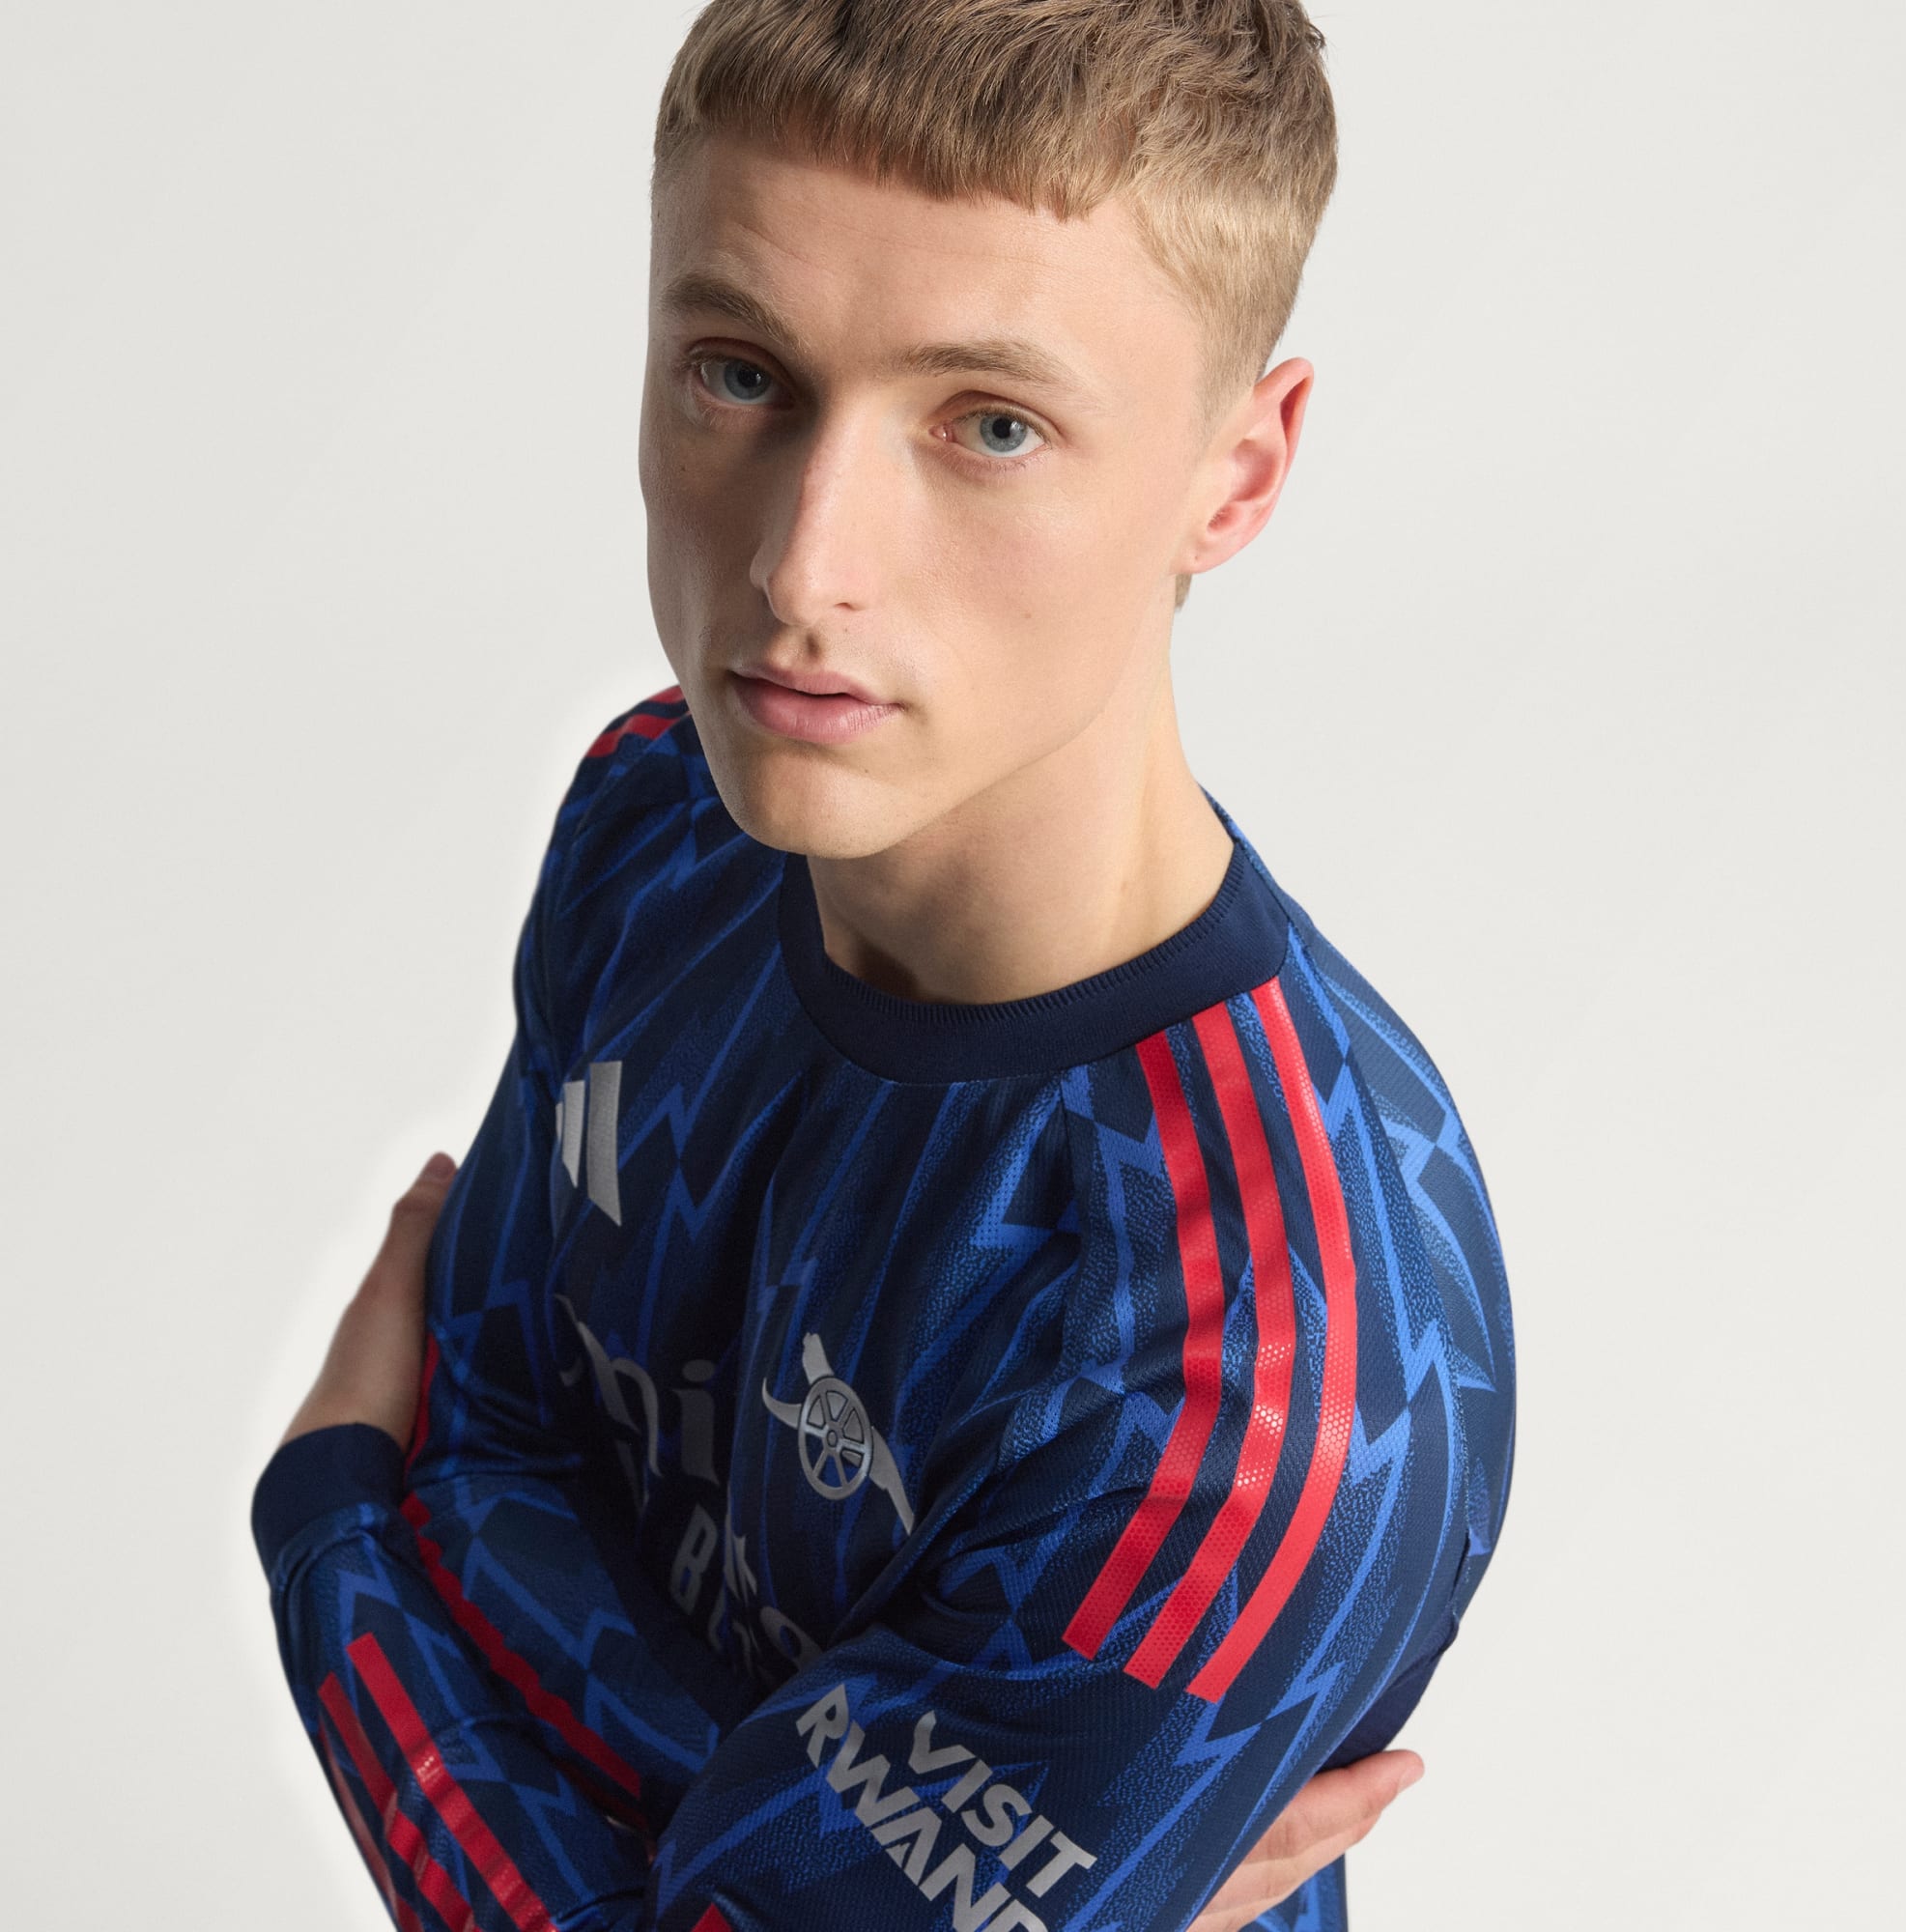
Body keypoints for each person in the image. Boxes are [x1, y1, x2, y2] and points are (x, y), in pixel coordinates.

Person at [249, 4, 1517, 1929]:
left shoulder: (1251, 1378)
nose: (800, 566)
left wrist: (330, 1538)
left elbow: (424, 1496)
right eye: (741, 374)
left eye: (990, 424)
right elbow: (486, 1435)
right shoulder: (661, 812)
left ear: (1236, 473)